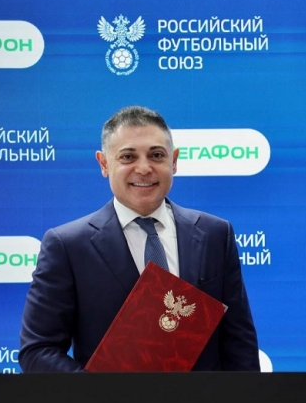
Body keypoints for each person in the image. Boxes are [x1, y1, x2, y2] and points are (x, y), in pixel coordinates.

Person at [20, 105, 260, 373]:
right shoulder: (67, 246)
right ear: (104, 163)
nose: (144, 168)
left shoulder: (215, 234)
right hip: (106, 401)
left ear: (174, 161)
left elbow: (240, 346)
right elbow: (37, 351)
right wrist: (102, 391)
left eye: (156, 155)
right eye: (128, 157)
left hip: (203, 400)